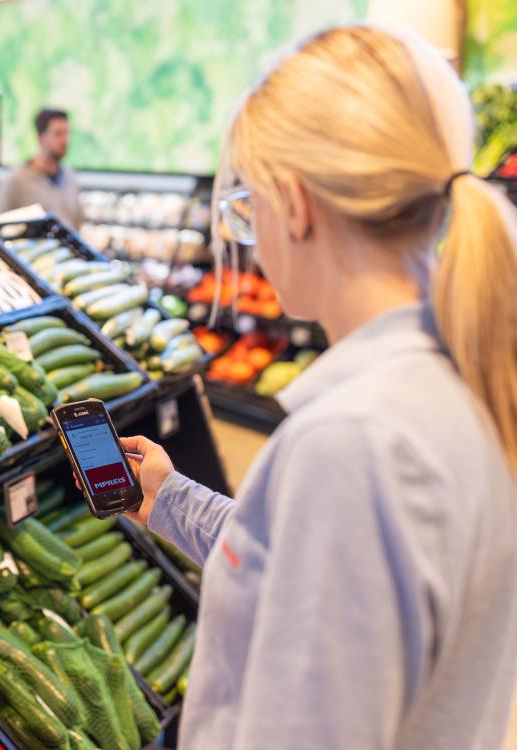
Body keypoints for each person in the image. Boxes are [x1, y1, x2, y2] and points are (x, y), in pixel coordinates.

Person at [117, 25, 517, 749]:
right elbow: (311, 571)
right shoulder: (465, 376)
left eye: (247, 206)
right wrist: (173, 500)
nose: (250, 235)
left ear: (294, 205)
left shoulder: (355, 444)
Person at [0, 108, 83, 228]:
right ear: (41, 137)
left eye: (66, 133)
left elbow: (77, 224)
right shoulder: (17, 180)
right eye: (58, 134)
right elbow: (0, 226)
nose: (65, 140)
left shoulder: (70, 177)